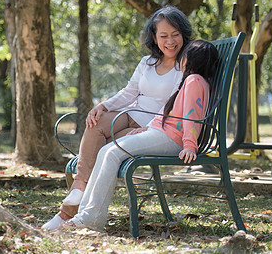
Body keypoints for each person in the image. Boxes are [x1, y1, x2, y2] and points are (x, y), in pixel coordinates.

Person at [42, 5, 192, 231]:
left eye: (175, 34)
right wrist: (102, 106)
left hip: (155, 127)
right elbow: (129, 92)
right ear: (154, 37)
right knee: (95, 125)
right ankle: (79, 188)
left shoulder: (186, 65)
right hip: (130, 115)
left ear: (183, 34)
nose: (170, 41)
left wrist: (150, 127)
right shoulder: (147, 63)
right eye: (163, 35)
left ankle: (68, 215)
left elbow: (177, 105)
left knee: (104, 151)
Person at [62, 40, 219, 231]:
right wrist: (148, 129)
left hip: (173, 139)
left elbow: (192, 115)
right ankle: (86, 215)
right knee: (107, 150)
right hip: (161, 133)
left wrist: (189, 144)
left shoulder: (194, 81)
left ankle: (91, 218)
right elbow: (169, 114)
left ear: (189, 60)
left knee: (112, 152)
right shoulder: (190, 81)